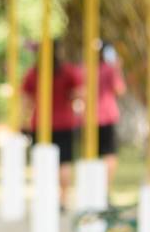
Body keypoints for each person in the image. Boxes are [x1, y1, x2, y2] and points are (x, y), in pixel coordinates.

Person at [20, 40, 85, 199]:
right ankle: (63, 198)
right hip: (64, 123)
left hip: (41, 123)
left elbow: (25, 101)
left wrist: (23, 121)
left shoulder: (33, 73)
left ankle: (45, 197)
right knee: (64, 162)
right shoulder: (68, 71)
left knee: (42, 163)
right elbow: (80, 94)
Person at [96, 42, 127, 183]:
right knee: (109, 154)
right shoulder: (110, 70)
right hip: (107, 116)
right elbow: (120, 90)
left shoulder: (88, 69)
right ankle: (105, 187)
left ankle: (97, 187)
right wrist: (118, 69)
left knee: (94, 155)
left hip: (91, 117)